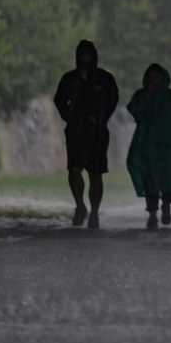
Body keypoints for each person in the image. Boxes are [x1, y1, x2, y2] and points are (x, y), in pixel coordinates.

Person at [53, 40, 120, 229]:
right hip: (75, 131)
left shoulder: (105, 79)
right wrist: (71, 117)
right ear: (77, 56)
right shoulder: (69, 79)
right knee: (74, 169)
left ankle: (95, 213)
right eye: (82, 55)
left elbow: (112, 99)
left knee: (95, 172)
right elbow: (59, 100)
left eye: (89, 55)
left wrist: (100, 118)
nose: (86, 59)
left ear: (94, 56)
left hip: (97, 132)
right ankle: (80, 206)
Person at [126, 64, 171, 228]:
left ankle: (166, 204)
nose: (154, 81)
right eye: (151, 77)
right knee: (150, 179)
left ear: (163, 78)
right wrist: (147, 98)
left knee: (168, 178)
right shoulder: (141, 96)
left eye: (157, 77)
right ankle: (152, 214)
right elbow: (136, 112)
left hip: (169, 145)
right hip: (147, 144)